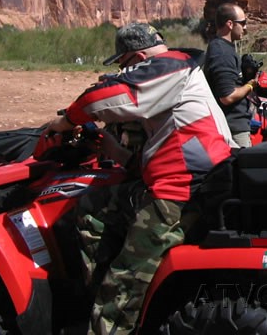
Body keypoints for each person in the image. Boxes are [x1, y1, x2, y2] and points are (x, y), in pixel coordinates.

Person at [41, 23, 235, 334]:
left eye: (124, 65)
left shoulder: (170, 67)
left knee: (124, 282)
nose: (124, 72)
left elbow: (105, 98)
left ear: (138, 57)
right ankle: (93, 294)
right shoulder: (176, 73)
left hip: (181, 190)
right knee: (92, 207)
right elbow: (162, 146)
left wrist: (65, 120)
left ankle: (113, 316)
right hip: (179, 178)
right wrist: (113, 149)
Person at [203, 3, 256, 147]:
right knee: (244, 168)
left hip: (234, 124)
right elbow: (227, 96)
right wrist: (250, 85)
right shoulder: (222, 52)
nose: (245, 28)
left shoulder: (224, 48)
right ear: (230, 24)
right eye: (243, 23)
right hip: (233, 128)